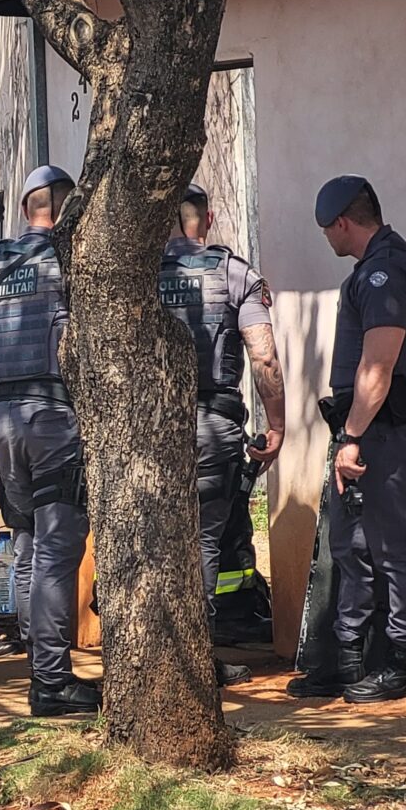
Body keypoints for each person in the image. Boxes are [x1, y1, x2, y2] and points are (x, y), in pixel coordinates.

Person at [288, 175, 406, 703]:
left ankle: (401, 662)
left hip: (381, 428)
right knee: (351, 545)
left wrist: (352, 436)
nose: (327, 238)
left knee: (395, 546)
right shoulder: (376, 268)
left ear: (343, 223)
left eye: (327, 229)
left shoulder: (386, 271)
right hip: (364, 427)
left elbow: (379, 362)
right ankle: (348, 660)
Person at [0, 166, 100, 717]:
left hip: (2, 417)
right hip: (53, 416)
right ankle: (50, 681)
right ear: (66, 210)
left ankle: (35, 654)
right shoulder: (73, 260)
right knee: (56, 549)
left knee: (24, 540)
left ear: (25, 210)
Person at [160, 184, 288, 685]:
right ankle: (195, 662)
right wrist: (275, 424)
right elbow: (264, 357)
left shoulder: (134, 277)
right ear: (207, 220)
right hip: (212, 422)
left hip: (148, 431)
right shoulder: (235, 275)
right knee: (205, 539)